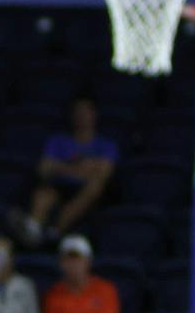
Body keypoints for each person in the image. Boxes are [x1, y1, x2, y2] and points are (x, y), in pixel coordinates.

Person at [12, 98, 118, 249]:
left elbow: (104, 173)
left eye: (85, 112)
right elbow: (44, 169)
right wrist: (82, 168)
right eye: (78, 112)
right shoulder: (58, 141)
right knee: (43, 194)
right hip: (60, 185)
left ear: (94, 114)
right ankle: (32, 229)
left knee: (95, 187)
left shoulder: (106, 145)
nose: (81, 116)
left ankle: (54, 231)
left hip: (86, 190)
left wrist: (62, 167)